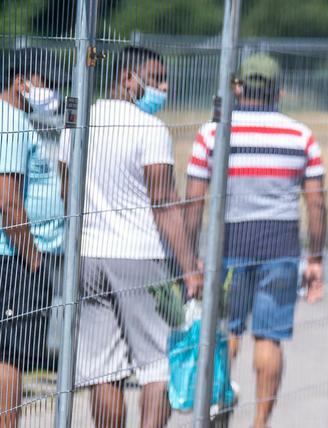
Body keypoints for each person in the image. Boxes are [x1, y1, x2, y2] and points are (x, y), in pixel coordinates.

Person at [58, 46, 201, 428]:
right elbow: (163, 201)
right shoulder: (150, 129)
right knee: (157, 365)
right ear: (127, 77)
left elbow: (66, 188)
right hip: (140, 255)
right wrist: (190, 268)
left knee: (103, 371)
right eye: (155, 78)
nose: (163, 87)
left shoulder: (79, 122)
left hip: (88, 254)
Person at [184, 52, 326, 428]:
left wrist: (189, 254)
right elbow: (317, 203)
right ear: (279, 92)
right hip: (281, 245)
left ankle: (219, 409)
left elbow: (194, 201)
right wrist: (316, 257)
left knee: (227, 332)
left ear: (237, 88)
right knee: (269, 337)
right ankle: (260, 423)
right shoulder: (301, 135)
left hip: (228, 244)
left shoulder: (213, 133)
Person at [0, 47, 66, 428]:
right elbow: (8, 201)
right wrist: (35, 259)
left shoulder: (20, 120)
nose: (53, 91)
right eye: (47, 82)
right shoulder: (10, 121)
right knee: (10, 354)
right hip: (15, 258)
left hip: (18, 254)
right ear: (20, 81)